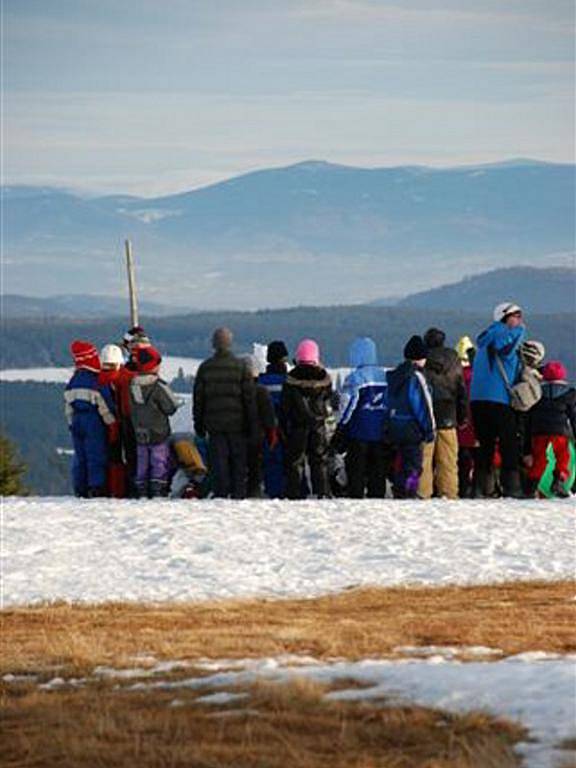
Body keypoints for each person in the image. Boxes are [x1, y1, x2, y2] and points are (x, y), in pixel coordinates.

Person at [470, 302, 526, 498]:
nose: (519, 319)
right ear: (503, 317)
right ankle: (512, 487)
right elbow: (507, 350)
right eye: (515, 315)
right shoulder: (510, 334)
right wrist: (520, 332)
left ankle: (481, 487)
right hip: (499, 398)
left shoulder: (485, 337)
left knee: (485, 445)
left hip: (477, 399)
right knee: (508, 444)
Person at [193, 327, 257, 499]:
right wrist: (252, 425)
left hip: (214, 424)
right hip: (238, 424)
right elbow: (249, 400)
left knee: (218, 462)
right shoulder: (241, 367)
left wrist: (198, 424)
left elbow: (199, 400)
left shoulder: (205, 368)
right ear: (230, 343)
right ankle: (238, 494)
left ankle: (221, 494)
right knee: (238, 462)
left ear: (214, 344)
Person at [334, 337, 390, 498]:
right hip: (380, 433)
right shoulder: (384, 376)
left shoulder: (355, 378)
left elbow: (347, 404)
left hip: (358, 432)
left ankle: (356, 497)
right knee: (377, 471)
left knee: (356, 469)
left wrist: (341, 425)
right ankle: (377, 497)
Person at [418, 328, 468, 499]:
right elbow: (461, 389)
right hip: (449, 413)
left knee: (424, 459)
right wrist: (463, 416)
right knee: (448, 460)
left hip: (426, 414)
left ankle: (422, 493)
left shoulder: (422, 359)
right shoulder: (454, 358)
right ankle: (449, 493)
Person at [282, 339, 333, 499]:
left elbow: (285, 406)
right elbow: (330, 401)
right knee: (319, 460)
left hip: (298, 426)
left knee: (295, 462)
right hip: (318, 425)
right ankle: (322, 492)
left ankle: (295, 493)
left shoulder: (291, 378)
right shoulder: (324, 378)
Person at [64, 340, 117, 498]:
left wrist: (71, 423)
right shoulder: (96, 381)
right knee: (96, 455)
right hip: (93, 422)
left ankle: (81, 488)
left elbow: (68, 407)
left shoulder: (73, 381)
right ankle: (97, 488)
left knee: (80, 457)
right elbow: (104, 407)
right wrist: (112, 424)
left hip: (77, 422)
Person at [386, 335, 435, 498]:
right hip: (412, 428)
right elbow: (422, 406)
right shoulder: (417, 377)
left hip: (395, 425)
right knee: (414, 466)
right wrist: (430, 430)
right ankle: (408, 491)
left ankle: (400, 488)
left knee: (401, 462)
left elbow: (387, 401)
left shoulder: (394, 376)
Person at [130, 345, 180, 498]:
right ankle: (158, 488)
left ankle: (141, 488)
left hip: (139, 431)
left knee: (142, 460)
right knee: (159, 460)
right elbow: (171, 407)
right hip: (159, 432)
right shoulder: (158, 386)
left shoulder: (132, 386)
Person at [525, 360, 576, 498]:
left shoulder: (537, 393)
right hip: (560, 431)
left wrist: (526, 444)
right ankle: (559, 480)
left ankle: (531, 487)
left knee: (539, 459)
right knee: (563, 456)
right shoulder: (570, 393)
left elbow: (529, 416)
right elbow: (573, 416)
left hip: (539, 431)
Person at [259, 340, 290, 498]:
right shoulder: (289, 381)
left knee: (271, 462)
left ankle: (273, 492)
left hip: (267, 428)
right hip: (289, 427)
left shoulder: (261, 381)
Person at [244, 355, 278, 498]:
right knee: (255, 466)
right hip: (258, 434)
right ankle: (254, 491)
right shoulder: (261, 391)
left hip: (237, 434)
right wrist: (272, 434)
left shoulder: (235, 390)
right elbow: (269, 416)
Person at [99, 344, 127, 497]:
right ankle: (119, 491)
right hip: (118, 426)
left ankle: (111, 490)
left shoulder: (99, 381)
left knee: (110, 460)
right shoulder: (124, 379)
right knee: (119, 461)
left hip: (105, 427)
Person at [455, 335, 479, 497]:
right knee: (478, 461)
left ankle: (462, 489)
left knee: (460, 461)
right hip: (477, 426)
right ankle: (476, 489)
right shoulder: (480, 376)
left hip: (459, 426)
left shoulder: (456, 377)